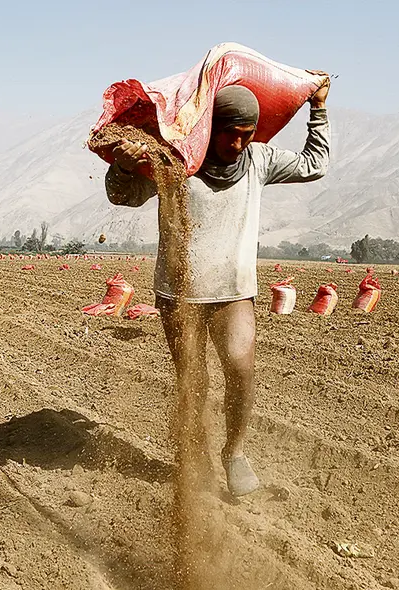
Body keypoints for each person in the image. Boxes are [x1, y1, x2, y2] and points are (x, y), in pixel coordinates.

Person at [105, 80, 331, 496]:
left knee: (241, 369)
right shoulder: (175, 160)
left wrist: (318, 110)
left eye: (248, 134)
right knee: (193, 378)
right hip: (180, 294)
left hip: (233, 292)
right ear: (212, 127)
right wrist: (120, 165)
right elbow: (125, 196)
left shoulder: (259, 160)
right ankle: (194, 456)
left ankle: (235, 452)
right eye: (232, 132)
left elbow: (313, 164)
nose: (240, 142)